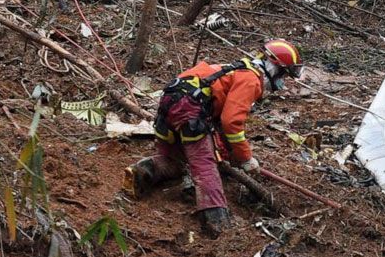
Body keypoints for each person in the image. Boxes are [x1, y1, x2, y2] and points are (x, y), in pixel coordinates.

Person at [124, 40, 304, 236]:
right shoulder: (251, 79)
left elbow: (219, 124)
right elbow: (231, 123)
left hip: (171, 103)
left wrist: (228, 155)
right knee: (204, 166)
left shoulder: (235, 69)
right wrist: (246, 158)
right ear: (274, 67)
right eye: (284, 75)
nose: (281, 82)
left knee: (176, 161)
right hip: (189, 109)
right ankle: (217, 225)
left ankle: (143, 171)